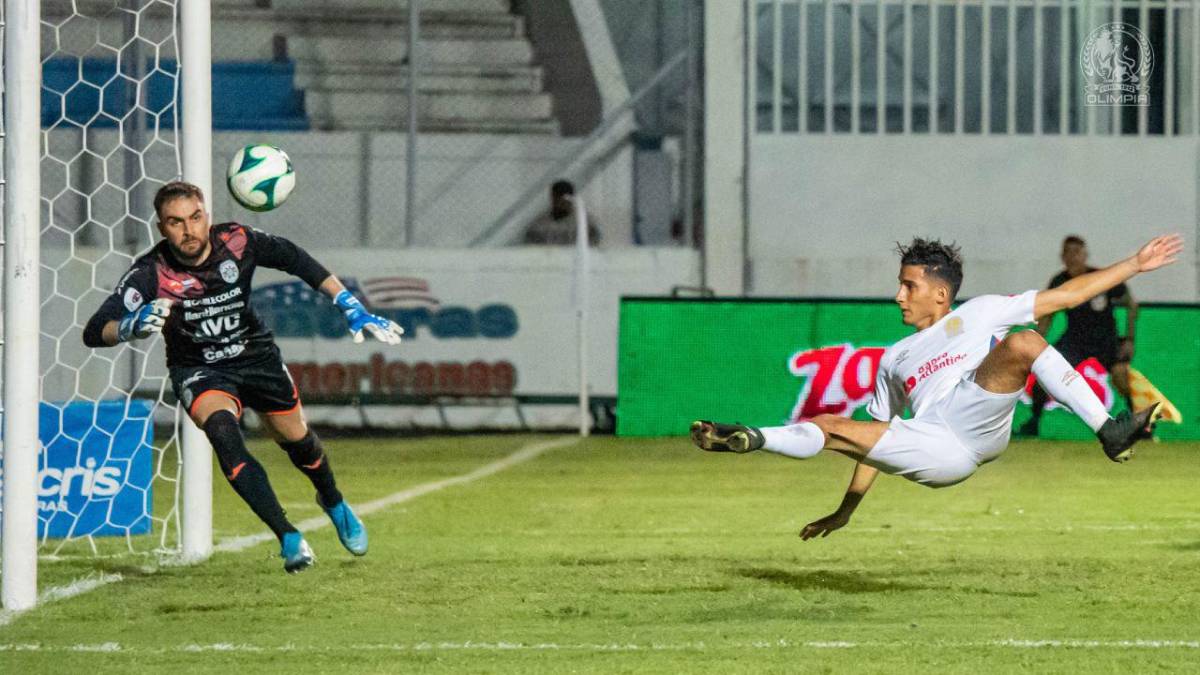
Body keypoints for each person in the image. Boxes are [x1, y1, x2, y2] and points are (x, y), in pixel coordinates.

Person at [691, 235, 1181, 540]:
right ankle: (754, 438)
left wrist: (1135, 264)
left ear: (940, 293)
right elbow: (875, 446)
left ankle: (1108, 429)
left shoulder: (981, 311)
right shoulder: (894, 359)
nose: (898, 295)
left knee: (1026, 341)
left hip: (976, 414)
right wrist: (845, 512)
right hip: (933, 449)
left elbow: (1070, 294)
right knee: (829, 426)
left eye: (909, 285)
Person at [82, 181, 404, 573]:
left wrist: (347, 302)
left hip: (256, 356)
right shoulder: (151, 273)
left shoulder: (237, 242)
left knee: (297, 440)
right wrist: (129, 326)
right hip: (200, 369)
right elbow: (95, 329)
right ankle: (288, 536)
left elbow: (296, 259)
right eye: (176, 222)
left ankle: (332, 500)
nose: (189, 230)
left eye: (196, 218)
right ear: (161, 227)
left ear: (207, 216)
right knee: (224, 436)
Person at [1017, 235, 1138, 437]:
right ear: (1062, 256)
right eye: (1068, 252)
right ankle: (1034, 423)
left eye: (1077, 252)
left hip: (1105, 339)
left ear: (1085, 255)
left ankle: (1137, 425)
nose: (1073, 257)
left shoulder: (1101, 278)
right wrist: (1036, 341)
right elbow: (1047, 313)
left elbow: (1132, 305)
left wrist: (1129, 339)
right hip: (1075, 340)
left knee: (1121, 377)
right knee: (1044, 374)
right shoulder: (1059, 281)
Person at [523, 179, 601, 246]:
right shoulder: (539, 225)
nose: (561, 202)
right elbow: (531, 248)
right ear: (552, 198)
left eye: (565, 199)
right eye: (557, 197)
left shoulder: (584, 222)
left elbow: (593, 245)